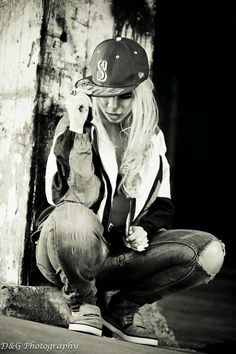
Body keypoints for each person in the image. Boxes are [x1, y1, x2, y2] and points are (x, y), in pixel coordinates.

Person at [35, 37, 225, 347]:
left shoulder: (151, 137)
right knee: (72, 217)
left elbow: (163, 202)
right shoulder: (75, 127)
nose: (112, 106)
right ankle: (84, 303)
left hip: (118, 256)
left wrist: (143, 228)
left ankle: (121, 311)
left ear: (139, 94)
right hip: (66, 252)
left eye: (124, 96)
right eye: (104, 95)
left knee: (209, 252)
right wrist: (78, 129)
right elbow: (69, 199)